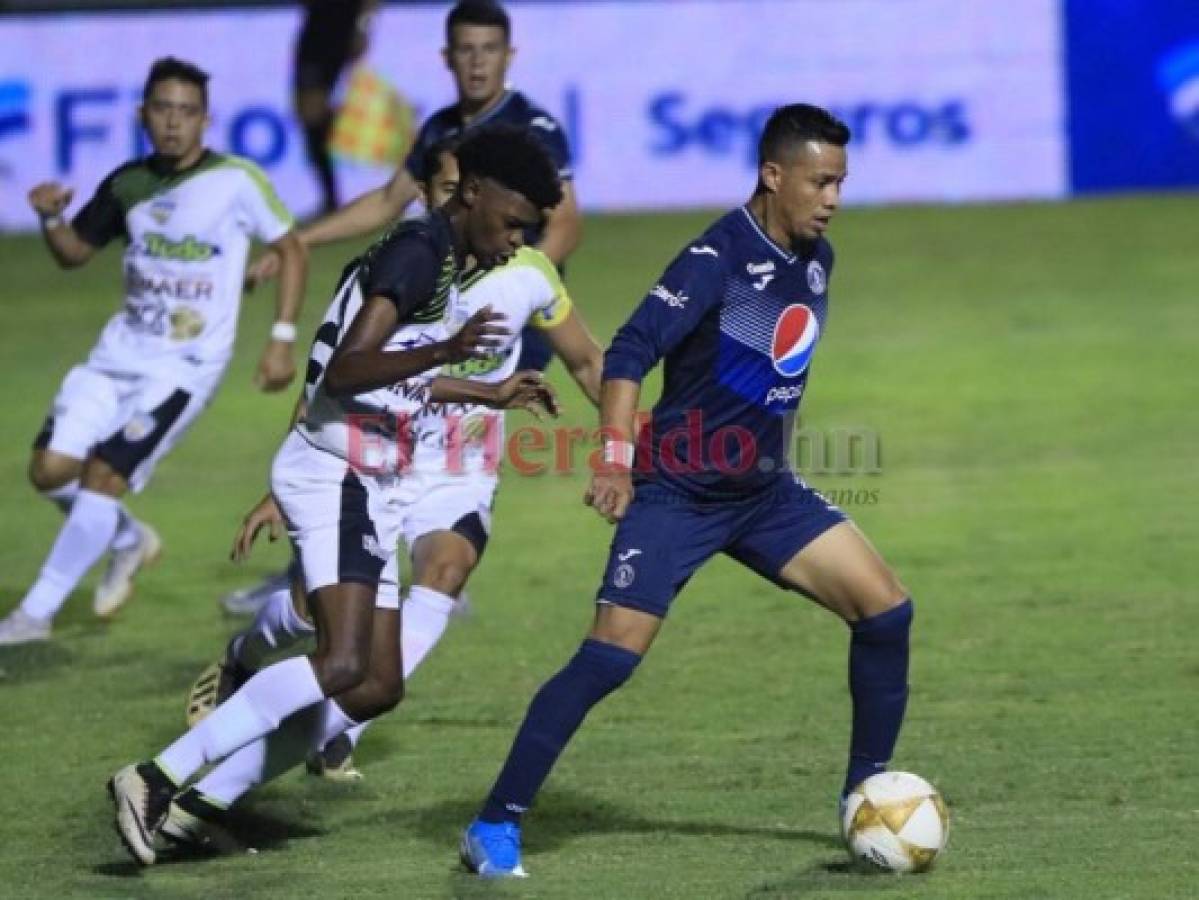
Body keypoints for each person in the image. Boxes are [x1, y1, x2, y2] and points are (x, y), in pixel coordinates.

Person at [459, 104, 916, 879]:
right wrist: (612, 460)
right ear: (774, 175)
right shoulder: (715, 256)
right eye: (820, 181)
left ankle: (861, 797)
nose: (832, 197)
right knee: (610, 657)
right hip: (675, 489)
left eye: (840, 181)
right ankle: (493, 823)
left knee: (885, 611)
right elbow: (632, 350)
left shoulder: (815, 259)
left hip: (763, 492)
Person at [107, 125, 565, 867]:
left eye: (528, 231)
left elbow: (385, 371)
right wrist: (450, 351)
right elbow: (349, 369)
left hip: (366, 476)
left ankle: (197, 806)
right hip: (339, 472)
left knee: (377, 684)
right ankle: (156, 777)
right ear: (472, 192)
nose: (516, 242)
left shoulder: (441, 259)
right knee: (344, 663)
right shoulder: (420, 253)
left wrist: (484, 389)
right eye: (512, 223)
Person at [182, 139, 603, 792]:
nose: (441, 201)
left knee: (445, 569)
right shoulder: (413, 265)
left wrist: (630, 439)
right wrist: (282, 486)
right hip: (370, 461)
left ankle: (341, 726)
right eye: (434, 189)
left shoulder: (525, 273)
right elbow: (338, 371)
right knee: (317, 617)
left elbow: (583, 359)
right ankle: (247, 656)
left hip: (456, 467)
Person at [0, 57, 307, 646]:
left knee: (104, 474)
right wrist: (50, 218)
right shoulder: (127, 184)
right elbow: (74, 253)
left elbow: (290, 249)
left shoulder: (236, 181)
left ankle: (34, 614)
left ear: (205, 120)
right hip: (116, 357)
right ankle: (126, 540)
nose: (173, 123)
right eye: (162, 110)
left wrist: (281, 338)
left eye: (186, 112)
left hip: (184, 368)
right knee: (49, 471)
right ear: (143, 115)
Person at [250, 0, 581, 373]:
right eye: (466, 49)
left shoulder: (533, 128)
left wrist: (515, 287)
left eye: (489, 49)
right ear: (447, 56)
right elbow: (389, 200)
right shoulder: (440, 128)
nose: (477, 62)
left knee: (484, 412)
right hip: (451, 306)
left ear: (509, 55)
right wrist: (300, 241)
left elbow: (566, 224)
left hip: (510, 315)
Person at [293, 0, 379, 214]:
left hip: (336, 26)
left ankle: (331, 200)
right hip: (316, 24)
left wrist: (362, 25)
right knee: (309, 113)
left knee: (311, 111)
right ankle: (330, 199)